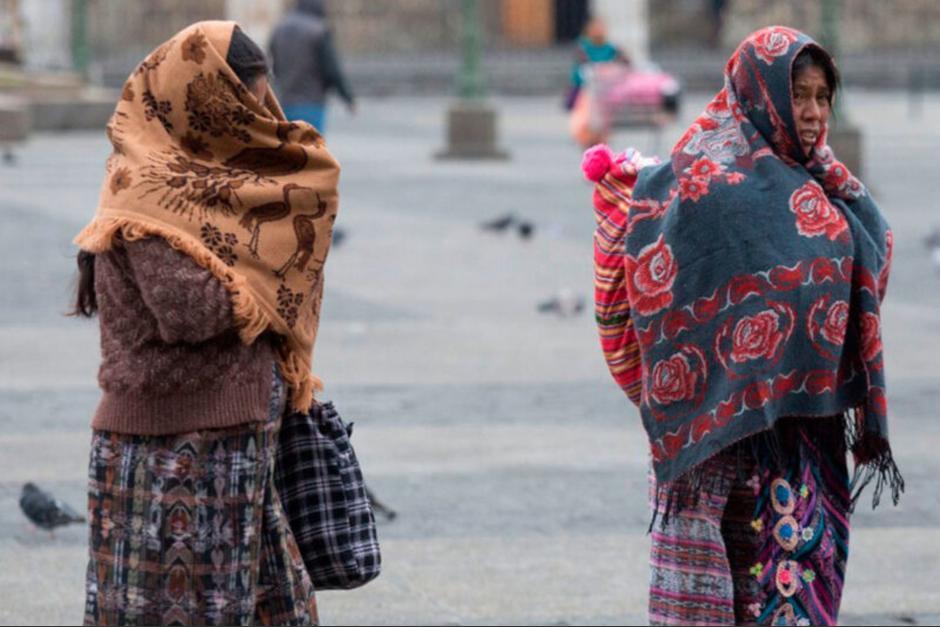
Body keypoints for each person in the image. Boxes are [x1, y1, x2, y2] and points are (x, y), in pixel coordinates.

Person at [584, 27, 902, 626]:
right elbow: (666, 293)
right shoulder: (708, 181)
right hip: (719, 443)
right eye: (798, 95)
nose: (810, 113)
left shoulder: (831, 185)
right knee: (719, 595)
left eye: (821, 97)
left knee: (798, 591)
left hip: (805, 438)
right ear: (761, 93)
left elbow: (867, 263)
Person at [72, 20, 339, 625]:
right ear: (203, 105)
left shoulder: (243, 182)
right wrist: (271, 268)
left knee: (263, 607)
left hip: (238, 431)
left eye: (259, 105)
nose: (258, 122)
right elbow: (189, 311)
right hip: (171, 442)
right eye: (242, 107)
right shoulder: (148, 184)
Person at [269, 0, 355, 135]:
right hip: (312, 103)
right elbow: (331, 70)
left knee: (290, 149)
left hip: (285, 102)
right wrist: (347, 98)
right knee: (313, 149)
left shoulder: (279, 29)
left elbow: (274, 65)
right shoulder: (319, 30)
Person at [566, 17, 629, 111]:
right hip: (585, 86)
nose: (599, 31)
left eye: (601, 28)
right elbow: (584, 64)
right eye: (596, 29)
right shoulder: (583, 46)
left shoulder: (612, 47)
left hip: (607, 84)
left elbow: (626, 62)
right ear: (589, 30)